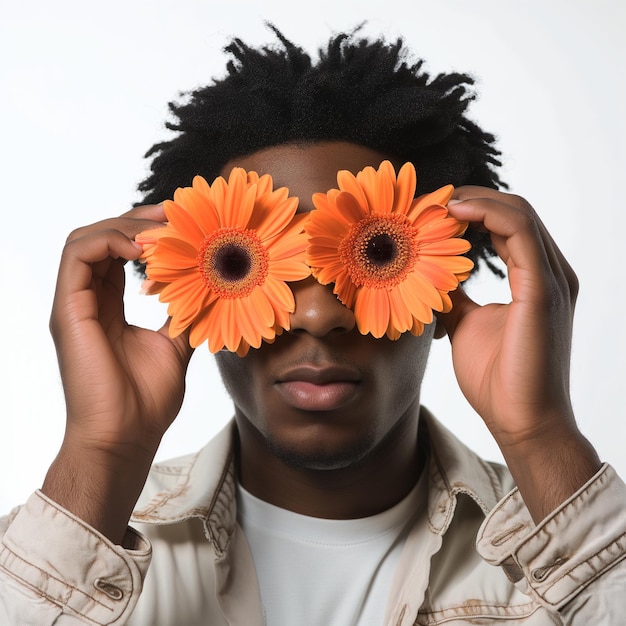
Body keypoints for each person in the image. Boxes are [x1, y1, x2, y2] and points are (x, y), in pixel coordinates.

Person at [1, 26, 624, 625]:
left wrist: (543, 436)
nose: (319, 316)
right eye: (252, 263)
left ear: (442, 286)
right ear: (192, 290)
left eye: (374, 252)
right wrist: (102, 452)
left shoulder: (557, 545)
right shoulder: (57, 549)